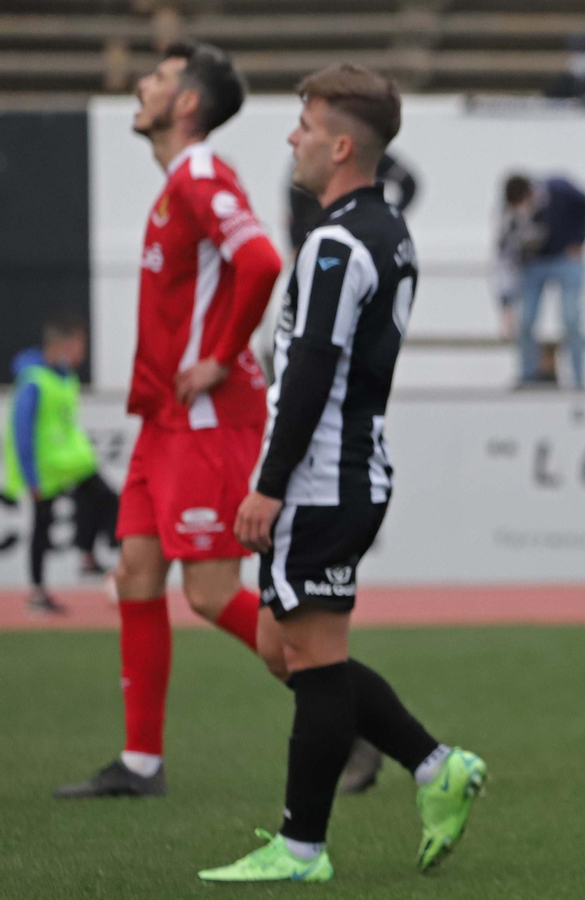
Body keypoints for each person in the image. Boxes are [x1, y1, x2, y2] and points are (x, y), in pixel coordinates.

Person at [201, 64, 486, 883]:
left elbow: (313, 372)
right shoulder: (384, 227)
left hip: (323, 477)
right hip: (347, 471)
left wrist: (270, 482)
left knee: (316, 659)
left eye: (302, 123)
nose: (291, 136)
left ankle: (300, 849)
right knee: (279, 646)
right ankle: (435, 766)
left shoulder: (334, 242)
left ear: (340, 143)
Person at [54, 42, 283, 800]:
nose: (141, 86)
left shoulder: (199, 174)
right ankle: (141, 764)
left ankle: (341, 703)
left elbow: (261, 262)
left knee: (212, 592)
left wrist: (219, 355)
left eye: (156, 79)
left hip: (207, 416)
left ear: (187, 105)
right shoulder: (175, 187)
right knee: (135, 574)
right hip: (164, 418)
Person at [3, 315, 119, 615]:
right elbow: (21, 430)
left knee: (104, 498)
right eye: (79, 345)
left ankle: (87, 555)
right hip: (45, 468)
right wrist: (31, 478)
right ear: (63, 345)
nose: (82, 352)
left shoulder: (65, 376)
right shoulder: (33, 381)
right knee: (42, 525)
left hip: (70, 462)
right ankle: (38, 593)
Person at [498, 173, 585, 388]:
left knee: (572, 318)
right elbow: (504, 259)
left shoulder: (559, 189)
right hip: (534, 264)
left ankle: (580, 381)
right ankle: (527, 377)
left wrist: (580, 239)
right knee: (526, 320)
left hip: (565, 260)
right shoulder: (510, 216)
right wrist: (505, 304)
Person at [288, 151, 418, 255]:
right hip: (323, 242)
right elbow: (296, 206)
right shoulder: (312, 160)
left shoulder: (372, 156)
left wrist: (388, 217)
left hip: (361, 243)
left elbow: (408, 185)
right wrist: (297, 243)